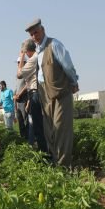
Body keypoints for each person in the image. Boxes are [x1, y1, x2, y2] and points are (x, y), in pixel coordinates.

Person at [25, 18, 79, 167]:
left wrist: (74, 82)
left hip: (60, 93)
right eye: (31, 34)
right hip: (44, 94)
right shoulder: (37, 51)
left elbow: (67, 66)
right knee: (49, 131)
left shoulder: (54, 44)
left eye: (36, 32)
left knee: (61, 129)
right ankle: (56, 162)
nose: (34, 36)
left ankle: (64, 166)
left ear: (42, 30)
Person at [17, 39, 48, 153]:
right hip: (39, 92)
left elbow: (19, 74)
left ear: (26, 51)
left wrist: (21, 57)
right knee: (40, 125)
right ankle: (45, 150)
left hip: (35, 93)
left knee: (37, 126)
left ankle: (44, 152)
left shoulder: (33, 58)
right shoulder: (39, 56)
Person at [14, 57, 28, 139]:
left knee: (26, 121)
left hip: (24, 100)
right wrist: (14, 95)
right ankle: (22, 138)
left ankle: (27, 139)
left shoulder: (26, 73)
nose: (18, 64)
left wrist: (20, 94)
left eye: (19, 62)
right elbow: (16, 87)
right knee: (20, 121)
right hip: (18, 101)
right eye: (18, 62)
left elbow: (27, 85)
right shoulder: (18, 74)